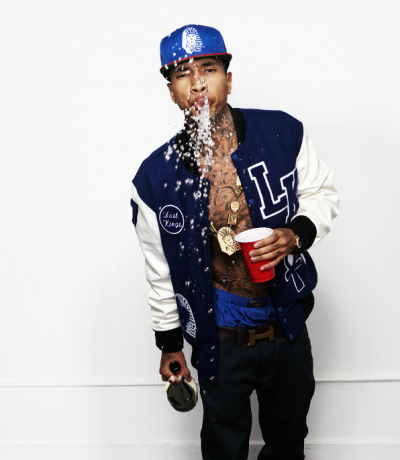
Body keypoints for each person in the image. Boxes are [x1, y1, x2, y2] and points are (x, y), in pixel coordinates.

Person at [131, 24, 339, 460]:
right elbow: (160, 271)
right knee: (223, 450)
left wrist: (294, 234)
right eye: (183, 74)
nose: (198, 83)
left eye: (208, 69)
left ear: (228, 77)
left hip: (287, 327)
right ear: (171, 91)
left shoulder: (282, 132)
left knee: (288, 445)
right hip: (220, 341)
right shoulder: (154, 179)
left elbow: (321, 194)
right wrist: (169, 345)